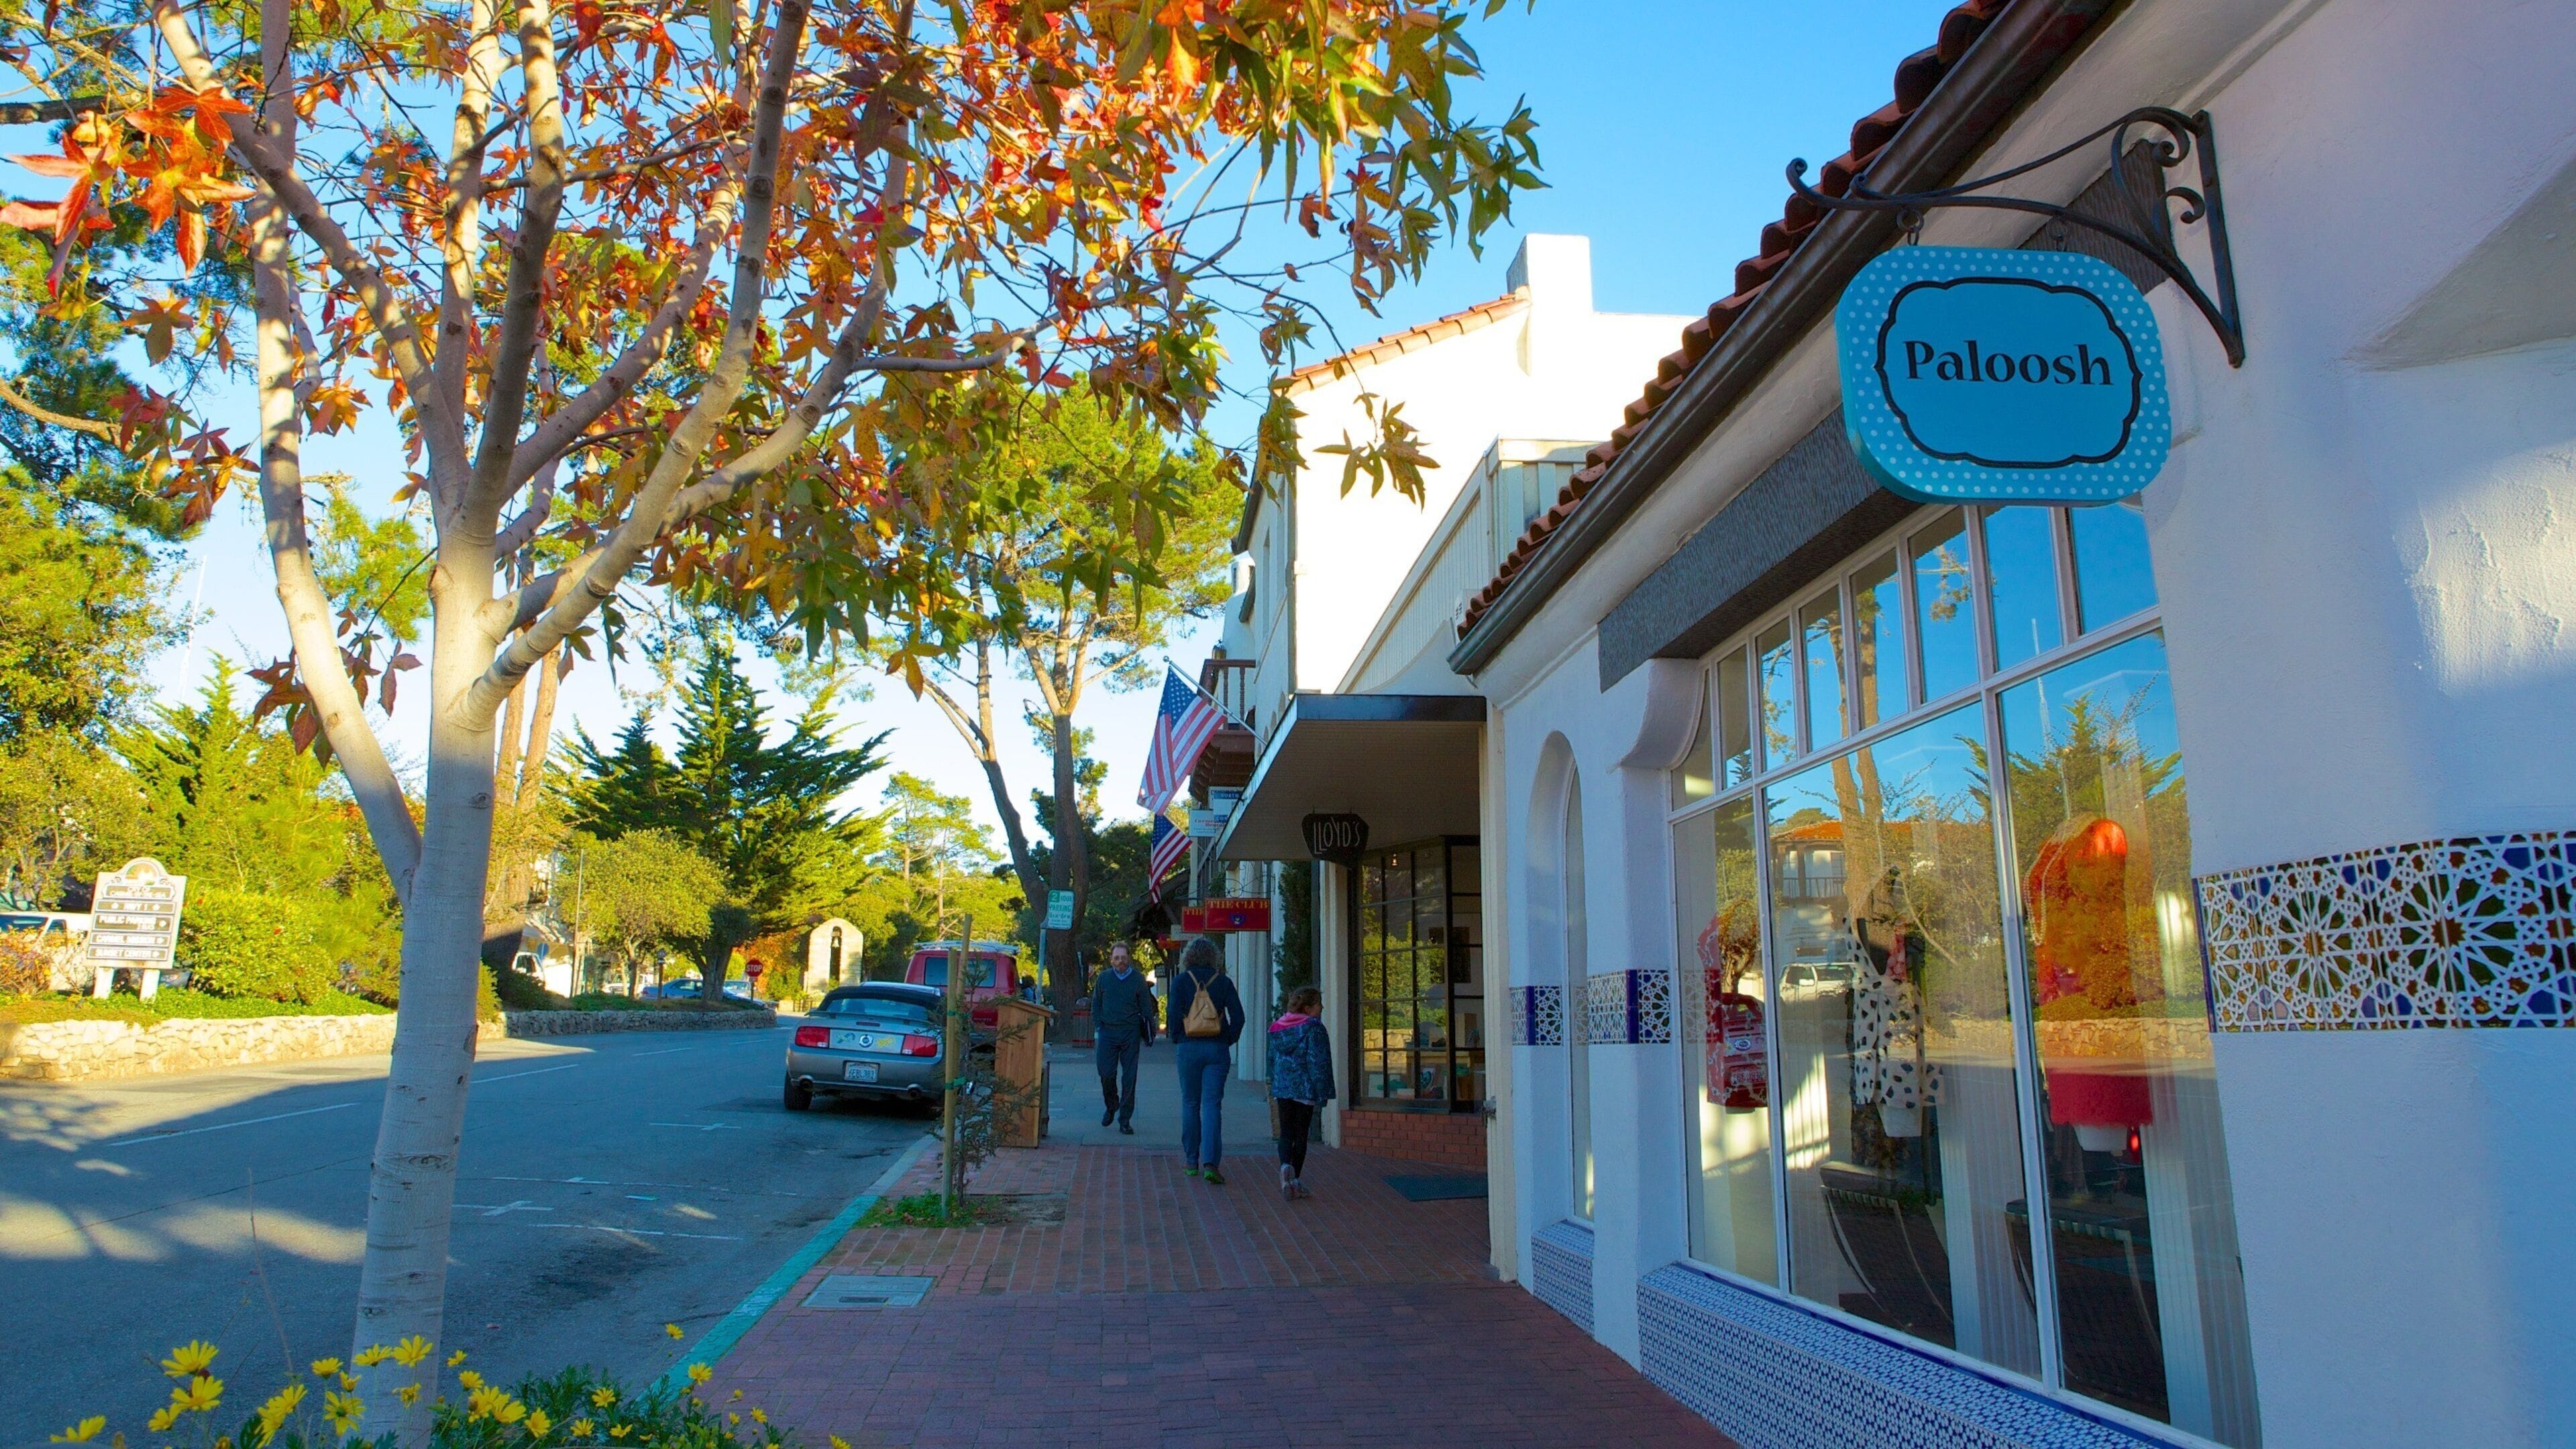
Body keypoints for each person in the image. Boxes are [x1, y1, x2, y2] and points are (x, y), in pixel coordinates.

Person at [1166, 936, 1244, 1184]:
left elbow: (1171, 1016)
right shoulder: (1223, 982)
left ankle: (1191, 1161)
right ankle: (1211, 1163)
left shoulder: (1180, 982)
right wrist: (1227, 1039)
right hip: (1216, 1049)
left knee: (1190, 1103)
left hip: (1188, 1048)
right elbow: (1239, 1017)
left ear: (1188, 957)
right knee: (1212, 1105)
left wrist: (1179, 1037)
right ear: (1214, 957)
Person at [1267, 985, 1334, 1200]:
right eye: (1318, 1004)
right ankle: (1294, 1179)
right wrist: (1322, 1092)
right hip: (1305, 1089)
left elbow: (1271, 1059)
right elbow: (1318, 1061)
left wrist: (1274, 1081)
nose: (1321, 1007)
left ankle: (1285, 1167)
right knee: (1301, 1135)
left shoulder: (1278, 1027)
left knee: (1286, 1133)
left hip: (1283, 1088)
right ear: (1307, 1007)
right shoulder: (1314, 1028)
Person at [1090, 940, 1157, 1134]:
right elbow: (1096, 1004)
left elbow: (1146, 1008)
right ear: (1111, 960)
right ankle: (1112, 1105)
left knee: (1129, 1077)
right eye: (1117, 958)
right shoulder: (1104, 978)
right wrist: (1098, 1025)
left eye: (1124, 958)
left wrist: (1149, 1034)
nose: (1120, 961)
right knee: (1106, 1074)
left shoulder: (1137, 979)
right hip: (1108, 1033)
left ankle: (1125, 1120)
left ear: (1129, 959)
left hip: (1130, 1033)